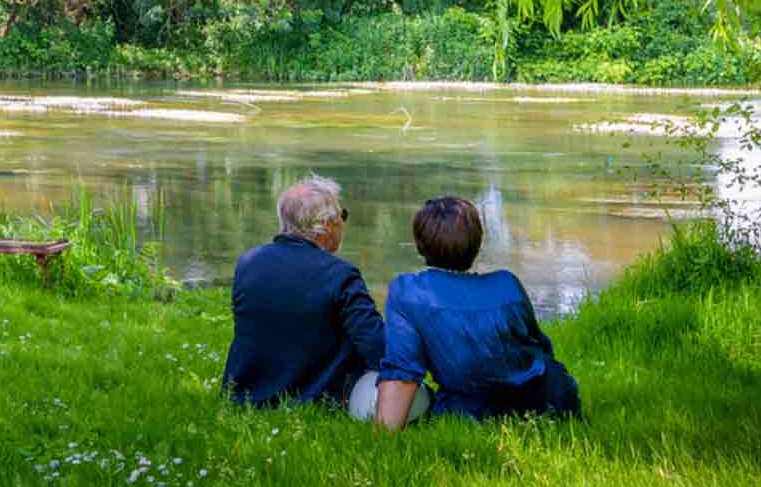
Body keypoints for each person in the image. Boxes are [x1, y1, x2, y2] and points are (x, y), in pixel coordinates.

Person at [224, 176, 426, 424]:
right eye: (343, 215)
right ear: (328, 225)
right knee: (413, 394)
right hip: (317, 400)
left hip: (248, 395)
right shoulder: (340, 274)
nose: (344, 222)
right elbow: (378, 351)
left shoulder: (248, 263)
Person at [374, 196, 582, 430]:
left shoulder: (407, 292)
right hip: (552, 398)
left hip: (473, 411)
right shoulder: (508, 284)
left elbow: (402, 374)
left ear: (420, 245)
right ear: (478, 242)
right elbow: (541, 348)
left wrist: (382, 439)